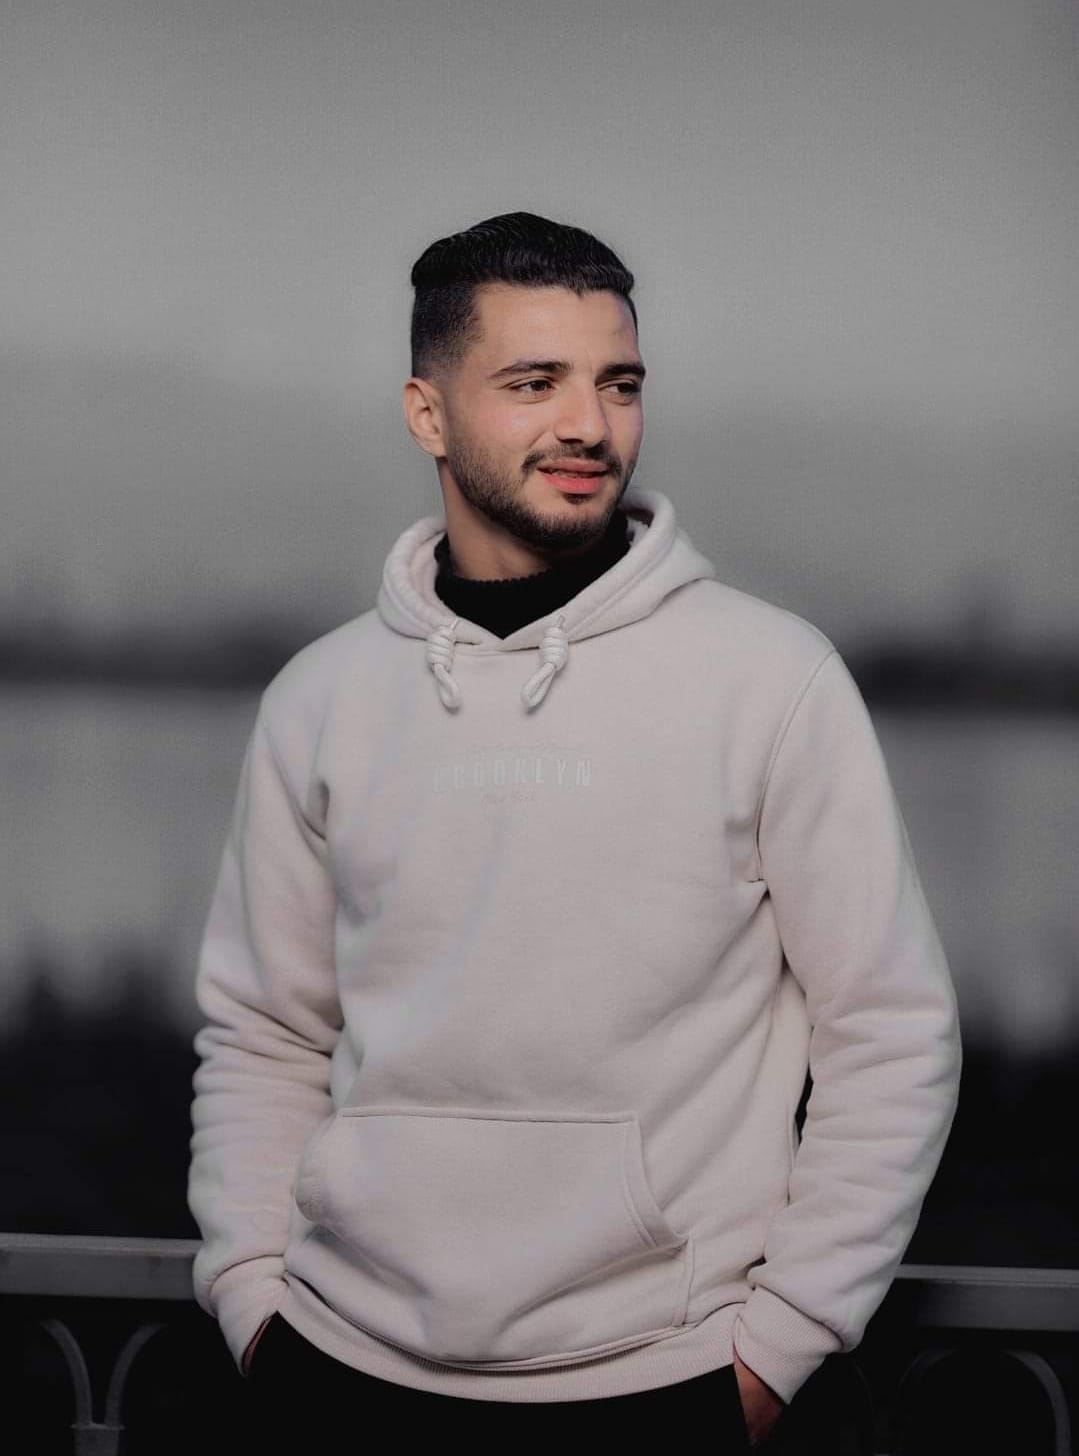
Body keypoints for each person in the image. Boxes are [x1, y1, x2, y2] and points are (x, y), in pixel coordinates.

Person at [187, 210, 962, 1448]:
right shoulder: (321, 699)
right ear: (427, 413)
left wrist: (776, 1349)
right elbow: (264, 1033)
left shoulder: (769, 679)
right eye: (533, 382)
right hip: (340, 1368)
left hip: (666, 1380)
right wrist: (250, 1295)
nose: (587, 425)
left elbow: (890, 1032)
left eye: (618, 384)